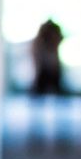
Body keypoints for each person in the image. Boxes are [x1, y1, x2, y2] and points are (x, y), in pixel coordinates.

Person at [29, 19, 66, 147]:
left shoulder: (51, 41)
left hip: (52, 70)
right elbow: (35, 56)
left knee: (60, 104)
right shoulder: (40, 42)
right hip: (44, 71)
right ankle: (36, 134)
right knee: (37, 104)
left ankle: (61, 134)